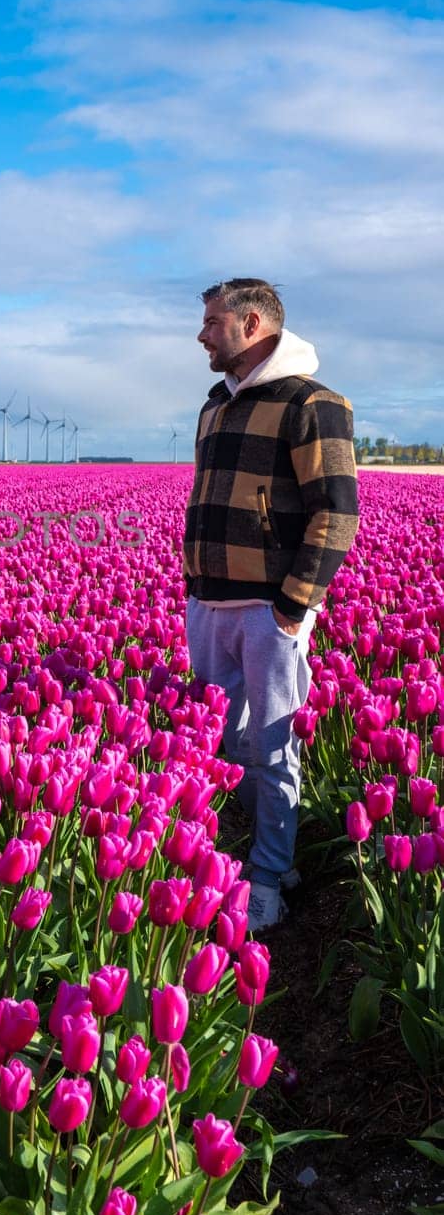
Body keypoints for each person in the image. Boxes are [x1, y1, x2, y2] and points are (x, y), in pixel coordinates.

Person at [183, 279, 359, 931]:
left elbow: (336, 511)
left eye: (211, 321)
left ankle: (266, 877)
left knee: (271, 742)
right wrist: (193, 587)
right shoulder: (213, 407)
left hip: (267, 607)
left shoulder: (312, 404)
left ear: (250, 323)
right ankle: (263, 855)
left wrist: (291, 604)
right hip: (208, 603)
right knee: (225, 745)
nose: (200, 334)